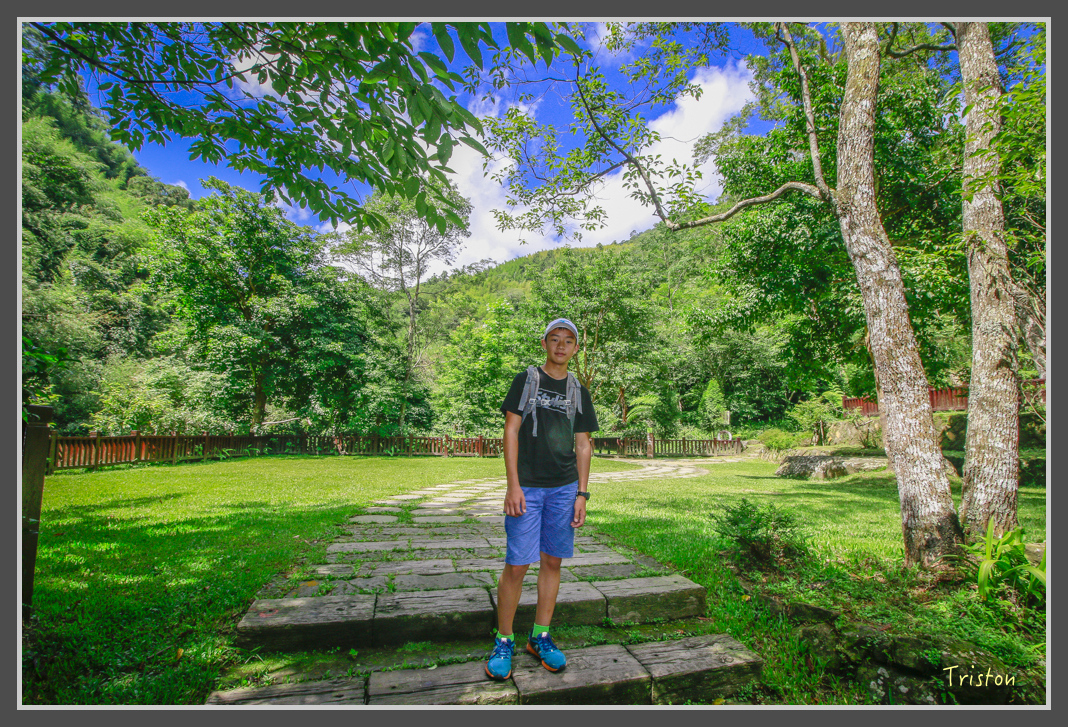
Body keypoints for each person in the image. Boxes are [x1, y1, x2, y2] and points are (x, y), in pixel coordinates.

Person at [485, 318, 598, 680]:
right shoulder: (526, 380)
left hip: (565, 488)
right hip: (528, 487)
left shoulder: (579, 391)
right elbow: (511, 430)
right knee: (518, 564)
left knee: (552, 562)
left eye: (568, 341)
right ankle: (504, 639)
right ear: (545, 343)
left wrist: (582, 493)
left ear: (576, 348)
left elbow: (583, 444)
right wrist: (513, 485)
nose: (561, 346)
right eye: (554, 339)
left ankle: (540, 637)